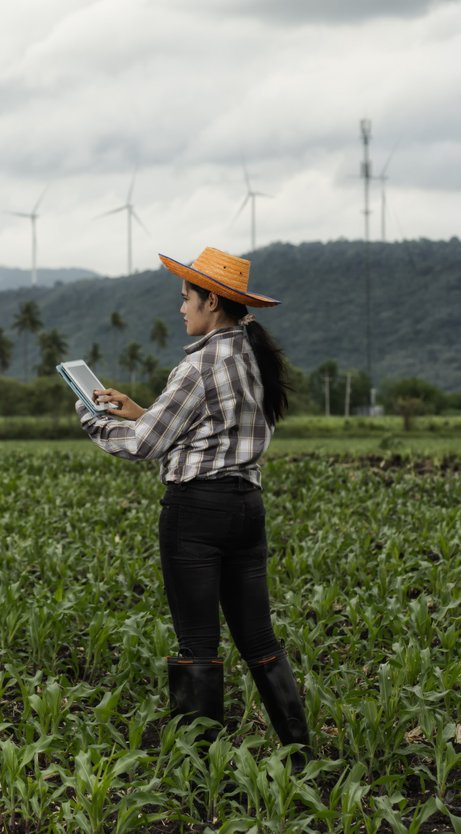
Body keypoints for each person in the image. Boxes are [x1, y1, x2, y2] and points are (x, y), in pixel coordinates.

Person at [75, 247, 310, 773]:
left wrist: (91, 418)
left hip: (196, 512)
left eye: (186, 298)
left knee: (197, 643)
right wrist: (137, 411)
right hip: (246, 508)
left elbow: (143, 446)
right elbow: (205, 427)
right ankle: (301, 758)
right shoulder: (252, 356)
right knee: (259, 639)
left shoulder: (198, 363)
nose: (181, 308)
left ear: (211, 300)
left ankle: (200, 775)